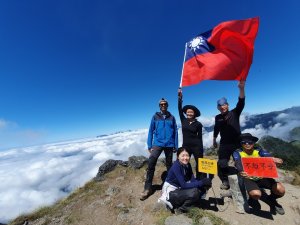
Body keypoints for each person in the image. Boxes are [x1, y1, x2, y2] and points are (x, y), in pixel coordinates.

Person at [233, 133, 285, 215]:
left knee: (280, 190)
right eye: (244, 142)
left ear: (253, 142)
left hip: (262, 177)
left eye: (249, 142)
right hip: (249, 178)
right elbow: (238, 163)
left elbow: (266, 155)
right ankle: (252, 199)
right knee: (256, 194)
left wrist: (273, 159)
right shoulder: (237, 152)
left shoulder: (258, 150)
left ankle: (272, 200)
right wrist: (241, 171)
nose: (247, 144)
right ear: (241, 143)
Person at [140, 98, 178, 201]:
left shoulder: (172, 117)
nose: (163, 105)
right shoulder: (155, 117)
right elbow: (150, 131)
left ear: (167, 105)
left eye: (165, 104)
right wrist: (149, 144)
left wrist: (176, 145)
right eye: (161, 104)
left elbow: (175, 131)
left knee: (169, 165)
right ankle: (147, 188)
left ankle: (170, 186)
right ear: (159, 106)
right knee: (151, 163)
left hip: (169, 144)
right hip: (157, 144)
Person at [213, 80, 245, 189]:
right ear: (218, 107)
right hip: (224, 144)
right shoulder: (218, 117)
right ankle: (225, 181)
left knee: (239, 162)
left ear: (227, 105)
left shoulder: (235, 113)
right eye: (220, 106)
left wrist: (241, 89)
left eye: (224, 105)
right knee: (222, 163)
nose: (222, 107)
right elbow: (216, 128)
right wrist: (214, 139)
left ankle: (244, 181)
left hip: (237, 143)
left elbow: (241, 102)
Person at [158, 147, 212, 213]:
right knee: (194, 192)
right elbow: (184, 185)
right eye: (183, 155)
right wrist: (201, 182)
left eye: (187, 155)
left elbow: (193, 180)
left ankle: (191, 203)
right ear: (178, 157)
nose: (185, 158)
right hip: (171, 192)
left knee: (201, 188)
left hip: (179, 189)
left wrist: (204, 183)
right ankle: (181, 209)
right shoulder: (176, 166)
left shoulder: (188, 165)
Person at [178, 88, 204, 179]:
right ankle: (188, 177)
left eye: (191, 112)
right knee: (185, 162)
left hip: (196, 146)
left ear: (194, 114)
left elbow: (200, 137)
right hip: (186, 146)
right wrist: (180, 98)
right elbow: (179, 109)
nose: (189, 113)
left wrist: (201, 149)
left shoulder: (198, 124)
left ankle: (199, 178)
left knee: (199, 163)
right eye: (188, 111)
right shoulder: (183, 120)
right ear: (186, 113)